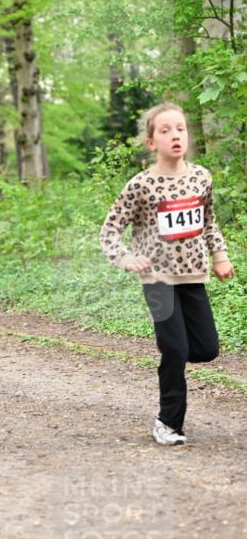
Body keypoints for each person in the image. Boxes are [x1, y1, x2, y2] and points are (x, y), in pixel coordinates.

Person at [99, 102, 234, 446]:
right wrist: (126, 258)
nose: (175, 135)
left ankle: (172, 347)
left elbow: (208, 222)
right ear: (151, 142)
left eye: (180, 128)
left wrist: (220, 255)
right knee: (175, 348)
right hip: (157, 279)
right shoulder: (141, 185)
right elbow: (110, 230)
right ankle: (168, 421)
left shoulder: (201, 177)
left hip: (192, 275)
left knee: (205, 349)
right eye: (165, 130)